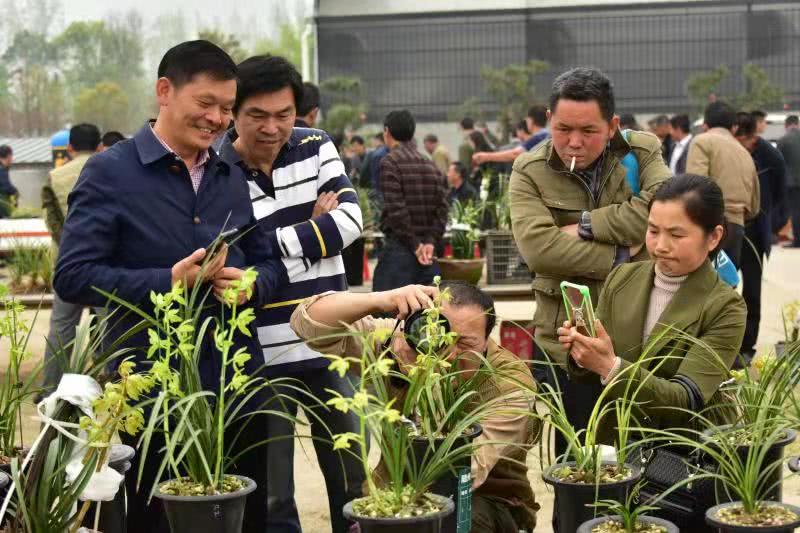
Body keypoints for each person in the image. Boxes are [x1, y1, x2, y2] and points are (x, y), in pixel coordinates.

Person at [54, 40, 288, 533]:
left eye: (227, 108)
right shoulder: (110, 173)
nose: (218, 119)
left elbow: (270, 263)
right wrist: (169, 282)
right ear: (165, 91)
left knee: (242, 518)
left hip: (234, 386)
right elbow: (72, 275)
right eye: (206, 104)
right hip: (149, 393)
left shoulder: (230, 174)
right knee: (154, 519)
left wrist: (250, 284)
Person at [217, 53, 364, 533]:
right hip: (262, 353)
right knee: (274, 491)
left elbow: (350, 223)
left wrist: (269, 243)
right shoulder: (219, 172)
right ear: (233, 112)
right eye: (257, 115)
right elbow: (233, 265)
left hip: (329, 342)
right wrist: (310, 230)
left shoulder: (315, 145)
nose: (272, 127)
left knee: (351, 474)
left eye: (284, 114)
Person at [289, 281, 541, 532]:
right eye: (439, 337)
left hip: (489, 501)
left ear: (487, 341)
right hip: (399, 491)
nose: (450, 353)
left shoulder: (509, 383)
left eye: (465, 344)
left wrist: (424, 383)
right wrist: (382, 299)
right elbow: (306, 323)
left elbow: (461, 469)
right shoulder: (403, 342)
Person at [509, 66, 670, 455]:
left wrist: (585, 224)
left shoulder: (642, 151)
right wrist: (621, 251)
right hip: (566, 344)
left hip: (638, 340)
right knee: (577, 465)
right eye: (563, 130)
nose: (574, 143)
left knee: (639, 461)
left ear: (612, 125)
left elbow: (665, 211)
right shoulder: (529, 171)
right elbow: (539, 249)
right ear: (549, 120)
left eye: (588, 131)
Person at [558, 173, 745, 441]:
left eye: (676, 234)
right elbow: (594, 370)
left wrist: (611, 366)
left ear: (713, 237)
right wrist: (582, 350)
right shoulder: (622, 278)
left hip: (684, 452)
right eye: (653, 231)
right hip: (620, 443)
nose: (660, 246)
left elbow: (685, 399)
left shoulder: (725, 307)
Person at [40, 123, 101, 392]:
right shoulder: (112, 171)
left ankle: (51, 389)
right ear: (99, 146)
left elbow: (51, 222)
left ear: (70, 148)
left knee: (62, 327)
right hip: (107, 264)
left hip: (69, 262)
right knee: (111, 326)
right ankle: (114, 387)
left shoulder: (55, 176)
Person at [373, 109, 448, 291]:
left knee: (388, 315)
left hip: (400, 253)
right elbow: (442, 210)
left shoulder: (390, 163)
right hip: (428, 257)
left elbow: (396, 211)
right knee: (427, 314)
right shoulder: (431, 165)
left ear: (387, 132)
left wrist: (415, 246)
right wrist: (429, 242)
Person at [734, 112, 788, 363]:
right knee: (726, 286)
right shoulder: (732, 152)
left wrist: (767, 217)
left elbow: (779, 193)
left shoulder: (771, 156)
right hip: (731, 229)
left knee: (752, 291)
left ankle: (748, 346)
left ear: (752, 137)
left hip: (756, 231)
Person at [686, 101, 760, 268]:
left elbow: (695, 188)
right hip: (737, 226)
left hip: (708, 227)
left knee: (700, 287)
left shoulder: (702, 141)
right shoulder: (744, 152)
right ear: (734, 127)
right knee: (726, 288)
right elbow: (755, 205)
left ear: (705, 125)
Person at [472, 105, 550, 165]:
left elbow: (515, 154)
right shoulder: (547, 135)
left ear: (531, 120)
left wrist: (486, 156)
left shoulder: (538, 138)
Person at [778, 115, 800, 248]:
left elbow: (778, 162)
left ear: (786, 125)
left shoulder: (783, 140)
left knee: (796, 211)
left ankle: (798, 241)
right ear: (797, 124)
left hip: (792, 182)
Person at [0, 145, 18, 218]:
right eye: (10, 157)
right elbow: (6, 187)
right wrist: (15, 192)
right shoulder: (1, 170)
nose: (11, 160)